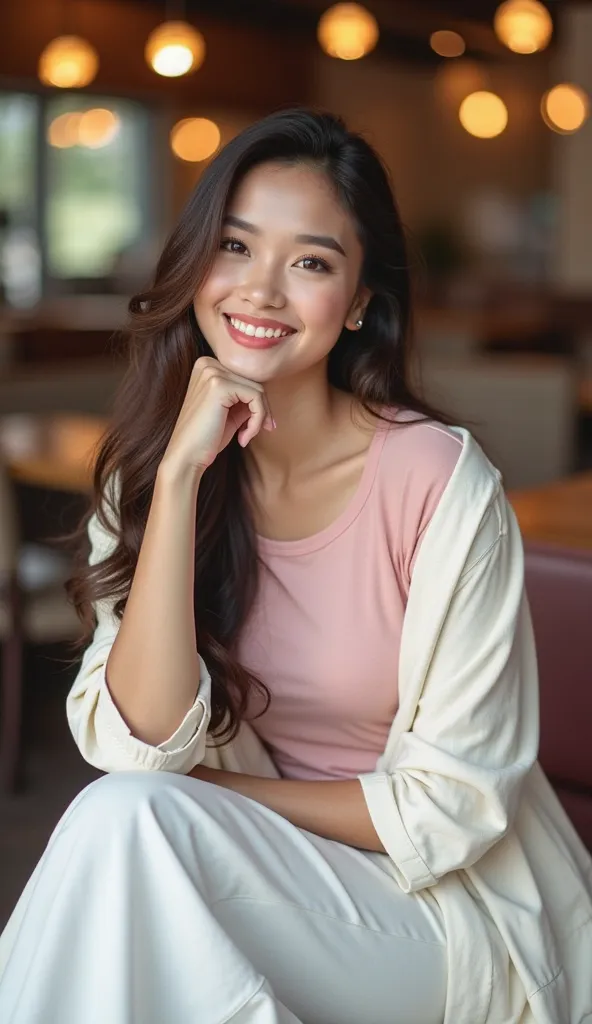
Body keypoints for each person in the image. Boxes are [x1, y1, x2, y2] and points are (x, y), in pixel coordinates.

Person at [0, 108, 590, 1024]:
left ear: (357, 300)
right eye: (235, 246)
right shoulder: (156, 475)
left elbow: (452, 811)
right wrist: (186, 474)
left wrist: (217, 796)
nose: (261, 291)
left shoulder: (437, 480)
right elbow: (136, 744)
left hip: (441, 912)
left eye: (310, 262)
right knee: (123, 829)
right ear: (196, 263)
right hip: (254, 872)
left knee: (128, 829)